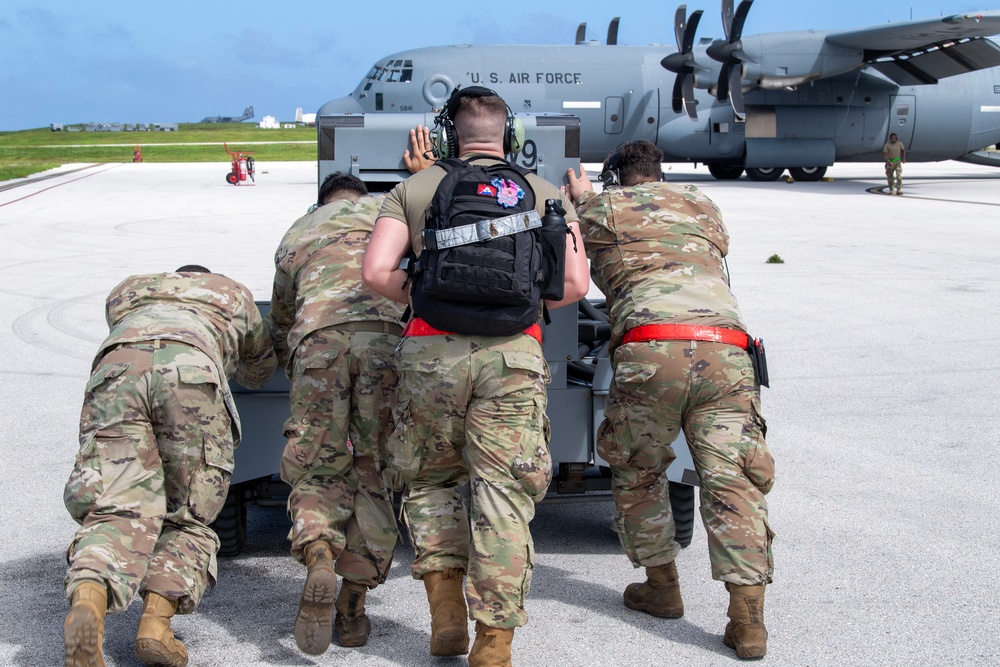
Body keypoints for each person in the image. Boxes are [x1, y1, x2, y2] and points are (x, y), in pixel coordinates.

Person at [361, 86, 590, 666]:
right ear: (508, 136)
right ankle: (494, 644)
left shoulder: (414, 188)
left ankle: (445, 622)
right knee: (503, 494)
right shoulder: (543, 194)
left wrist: (427, 298)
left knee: (432, 482)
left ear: (448, 135)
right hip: (512, 358)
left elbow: (374, 272)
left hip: (430, 356)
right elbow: (574, 287)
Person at [565, 141, 776, 660]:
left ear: (617, 176)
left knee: (638, 471)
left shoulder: (602, 206)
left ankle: (662, 588)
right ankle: (747, 620)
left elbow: (568, 249)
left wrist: (583, 197)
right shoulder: (702, 203)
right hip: (727, 348)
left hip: (651, 347)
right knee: (734, 482)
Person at [269, 127, 434, 656]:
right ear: (360, 199)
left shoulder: (299, 231)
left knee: (318, 464)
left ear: (321, 202)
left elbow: (281, 312)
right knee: (377, 472)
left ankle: (319, 551)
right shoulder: (386, 216)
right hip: (386, 343)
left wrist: (285, 359)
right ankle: (353, 602)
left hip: (318, 346)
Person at [63, 266, 276, 667]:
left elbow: (130, 332)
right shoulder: (233, 294)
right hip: (191, 370)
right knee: (188, 513)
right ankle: (155, 626)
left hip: (117, 370)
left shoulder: (127, 289)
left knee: (114, 504)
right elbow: (260, 368)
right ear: (206, 277)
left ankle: (89, 601)